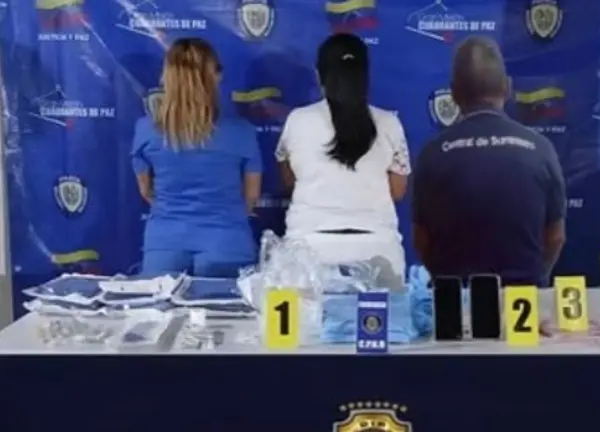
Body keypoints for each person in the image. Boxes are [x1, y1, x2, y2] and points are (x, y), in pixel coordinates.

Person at [411, 36, 566, 286]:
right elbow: (555, 237)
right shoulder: (540, 149)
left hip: (456, 300)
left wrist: (449, 282)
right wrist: (534, 279)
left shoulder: (432, 153)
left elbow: (422, 240)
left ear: (454, 93)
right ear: (507, 88)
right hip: (523, 299)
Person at [275, 33, 411, 290]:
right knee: (386, 318)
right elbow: (397, 191)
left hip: (309, 250)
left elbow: (288, 179)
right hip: (379, 249)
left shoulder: (298, 120)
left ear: (319, 75)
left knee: (306, 319)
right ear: (365, 74)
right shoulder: (390, 123)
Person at [131, 37, 262, 277]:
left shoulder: (145, 130)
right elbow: (251, 197)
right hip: (227, 242)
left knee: (157, 303)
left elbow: (146, 191)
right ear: (216, 77)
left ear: (166, 78)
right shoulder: (243, 132)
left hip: (165, 243)